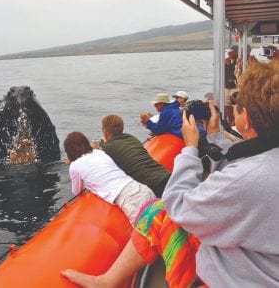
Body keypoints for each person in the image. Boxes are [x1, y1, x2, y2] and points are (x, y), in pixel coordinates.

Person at [61, 59, 279, 287]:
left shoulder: (249, 178)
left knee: (159, 212)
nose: (233, 110)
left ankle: (110, 281)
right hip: (260, 264)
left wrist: (190, 148)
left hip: (241, 277)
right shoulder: (265, 158)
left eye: (238, 104)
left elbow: (178, 207)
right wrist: (215, 138)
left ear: (248, 118)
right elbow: (237, 170)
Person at [64, 132, 155, 224]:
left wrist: (72, 164)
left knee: (145, 235)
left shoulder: (74, 166)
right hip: (143, 189)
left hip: (131, 201)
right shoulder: (99, 152)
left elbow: (76, 192)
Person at [100, 115, 171, 197]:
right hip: (166, 175)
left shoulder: (107, 148)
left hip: (154, 186)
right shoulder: (131, 138)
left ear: (105, 132)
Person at [224, 44, 238, 125]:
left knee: (237, 104)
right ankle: (230, 120)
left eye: (231, 52)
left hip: (236, 86)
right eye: (228, 53)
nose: (229, 54)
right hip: (226, 86)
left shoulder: (240, 60)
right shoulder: (226, 60)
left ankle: (236, 120)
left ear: (236, 52)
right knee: (227, 104)